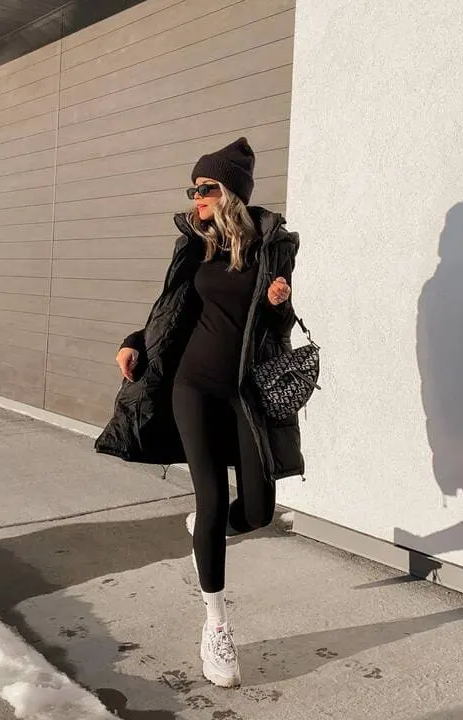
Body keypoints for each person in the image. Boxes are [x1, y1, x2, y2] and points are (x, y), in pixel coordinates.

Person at [95, 137, 304, 688]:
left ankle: (201, 530)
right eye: (192, 188)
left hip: (246, 392)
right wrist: (133, 340)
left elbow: (279, 333)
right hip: (191, 385)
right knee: (211, 499)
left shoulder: (272, 248)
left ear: (229, 190)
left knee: (258, 510)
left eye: (204, 187)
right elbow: (168, 307)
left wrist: (281, 306)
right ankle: (215, 623)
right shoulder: (195, 245)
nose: (196, 196)